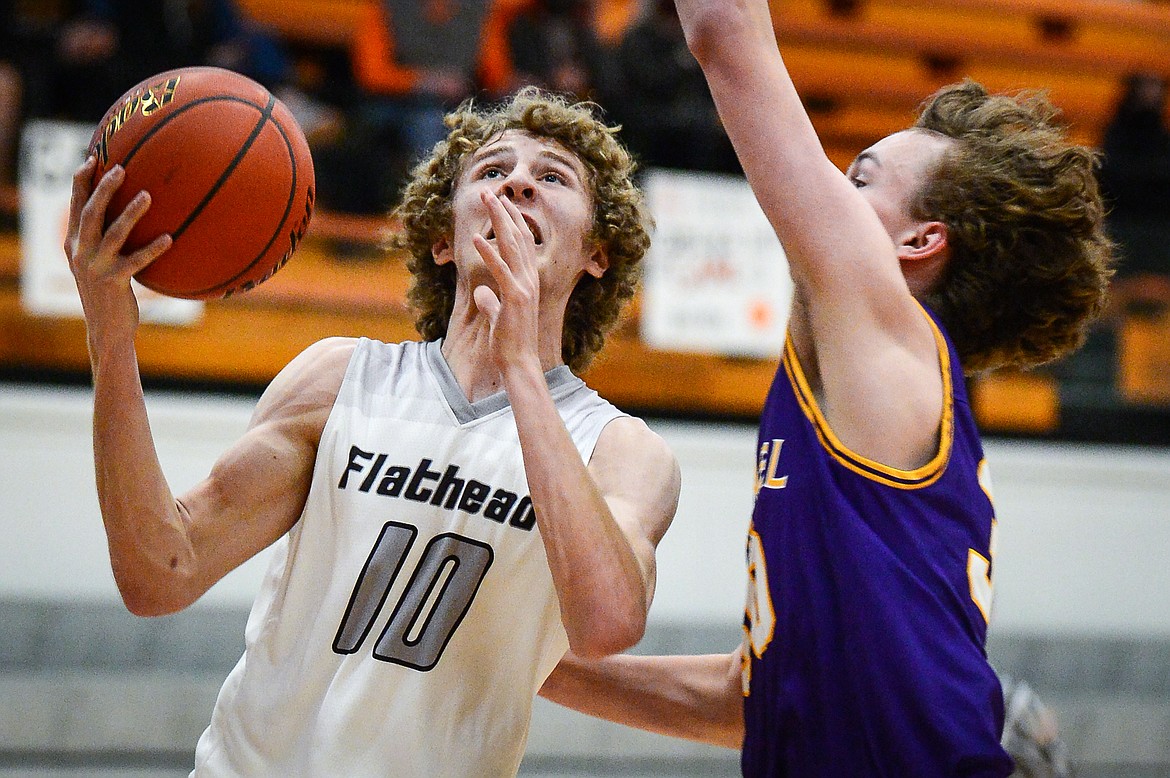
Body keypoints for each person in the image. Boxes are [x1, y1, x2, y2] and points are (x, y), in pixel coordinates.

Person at [538, 0, 1114, 773]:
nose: (827, 195)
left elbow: (724, 32)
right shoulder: (869, 393)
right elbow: (753, 694)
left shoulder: (894, 338)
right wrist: (510, 661)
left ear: (920, 241)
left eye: (859, 181)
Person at [63, 87, 680, 775]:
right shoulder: (338, 380)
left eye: (553, 177)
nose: (518, 183)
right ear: (443, 240)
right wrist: (110, 338)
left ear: (598, 253)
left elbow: (605, 626)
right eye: (491, 170)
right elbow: (161, 575)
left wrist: (522, 366)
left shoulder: (621, 450)